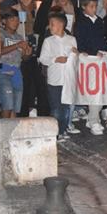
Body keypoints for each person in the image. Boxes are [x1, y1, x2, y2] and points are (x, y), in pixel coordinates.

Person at [74, 0, 107, 134]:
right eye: (91, 6)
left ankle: (92, 118)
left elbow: (102, 39)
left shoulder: (99, 21)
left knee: (104, 90)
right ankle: (94, 120)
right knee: (95, 90)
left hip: (100, 60)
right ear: (84, 7)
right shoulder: (81, 23)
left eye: (96, 6)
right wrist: (93, 52)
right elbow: (80, 42)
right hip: (89, 61)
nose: (94, 9)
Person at [39, 12, 78, 140]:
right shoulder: (48, 41)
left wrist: (76, 54)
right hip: (54, 80)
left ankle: (62, 130)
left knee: (66, 108)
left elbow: (75, 59)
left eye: (52, 24)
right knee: (56, 108)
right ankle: (54, 133)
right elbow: (43, 59)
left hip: (68, 80)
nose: (50, 27)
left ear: (61, 25)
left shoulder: (71, 39)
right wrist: (56, 59)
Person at [0, 8, 32, 119]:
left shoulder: (19, 37)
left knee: (14, 107)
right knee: (7, 104)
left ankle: (11, 133)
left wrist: (28, 53)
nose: (15, 22)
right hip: (3, 71)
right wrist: (17, 45)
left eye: (17, 19)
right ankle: (3, 134)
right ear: (4, 21)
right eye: (11, 19)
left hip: (17, 72)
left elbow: (24, 58)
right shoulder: (0, 33)